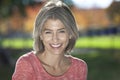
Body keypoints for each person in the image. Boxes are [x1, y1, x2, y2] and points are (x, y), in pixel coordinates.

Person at [12, 0, 88, 80]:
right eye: (48, 32)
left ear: (70, 33)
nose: (55, 38)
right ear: (40, 35)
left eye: (61, 31)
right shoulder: (27, 64)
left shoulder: (79, 67)